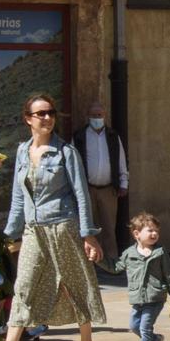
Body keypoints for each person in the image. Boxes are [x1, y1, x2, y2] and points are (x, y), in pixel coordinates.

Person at [0, 94, 107, 341]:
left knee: (74, 283)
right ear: (28, 119)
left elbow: (81, 194)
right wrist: (7, 235)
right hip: (33, 230)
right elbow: (18, 198)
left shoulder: (65, 152)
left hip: (63, 226)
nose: (47, 118)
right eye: (41, 113)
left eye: (51, 113)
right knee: (24, 284)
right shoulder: (22, 152)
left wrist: (88, 234)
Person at [101, 212, 170, 341]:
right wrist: (99, 260)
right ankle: (155, 339)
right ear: (136, 234)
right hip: (137, 298)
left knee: (145, 327)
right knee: (134, 327)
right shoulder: (129, 253)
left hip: (155, 297)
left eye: (156, 231)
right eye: (150, 230)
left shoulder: (160, 252)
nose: (154, 234)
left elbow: (169, 275)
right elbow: (115, 267)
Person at [72, 99, 129, 252]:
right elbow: (72, 164)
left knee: (109, 227)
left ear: (104, 115)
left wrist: (123, 183)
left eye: (99, 115)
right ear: (87, 116)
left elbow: (121, 160)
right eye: (93, 115)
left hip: (108, 190)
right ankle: (92, 261)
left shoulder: (112, 136)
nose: (97, 118)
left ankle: (111, 260)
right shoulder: (79, 137)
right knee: (89, 227)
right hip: (87, 189)